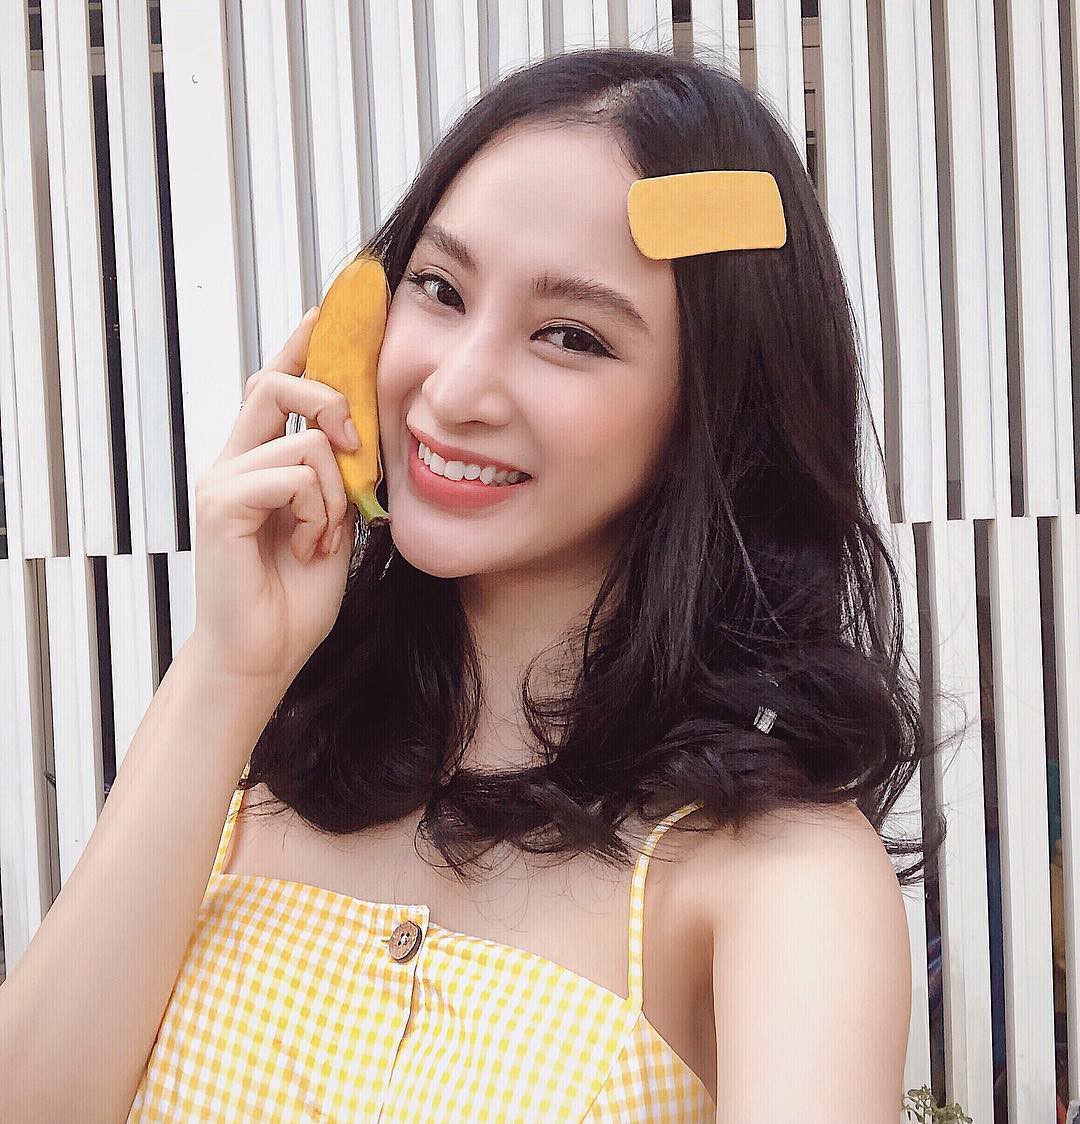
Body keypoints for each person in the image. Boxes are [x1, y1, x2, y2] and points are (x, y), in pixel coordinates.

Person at [1, 46, 941, 1122]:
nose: (452, 390)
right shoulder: (246, 758)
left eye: (571, 335)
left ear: (717, 412)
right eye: (439, 288)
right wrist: (228, 670)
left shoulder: (777, 874)